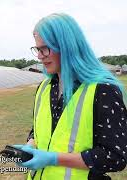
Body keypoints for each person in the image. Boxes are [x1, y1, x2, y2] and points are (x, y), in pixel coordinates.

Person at [14, 13, 127, 180]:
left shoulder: (104, 90)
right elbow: (38, 130)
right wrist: (30, 146)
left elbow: (114, 157)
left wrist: (53, 159)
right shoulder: (44, 87)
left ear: (66, 46)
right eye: (37, 49)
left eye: (45, 48)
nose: (39, 56)